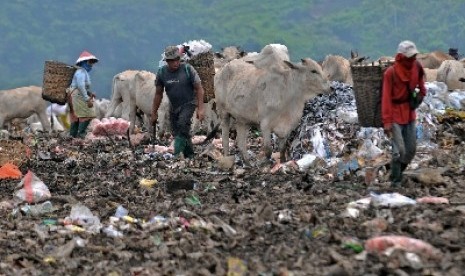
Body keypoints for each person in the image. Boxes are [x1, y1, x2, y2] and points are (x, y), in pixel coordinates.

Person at [382, 40, 427, 187]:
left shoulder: (416, 67)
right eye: (409, 57)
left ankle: (397, 171)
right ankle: (395, 181)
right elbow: (386, 97)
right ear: (401, 57)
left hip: (409, 112)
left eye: (414, 56)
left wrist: (421, 92)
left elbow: (421, 81)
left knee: (411, 149)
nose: (412, 60)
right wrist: (387, 121)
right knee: (399, 150)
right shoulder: (391, 73)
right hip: (395, 114)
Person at [151, 46, 205, 158]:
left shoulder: (188, 69)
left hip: (189, 102)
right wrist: (154, 112)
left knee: (182, 124)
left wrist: (200, 109)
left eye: (177, 60)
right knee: (178, 131)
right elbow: (158, 94)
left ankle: (177, 154)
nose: (176, 63)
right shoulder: (162, 73)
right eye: (172, 61)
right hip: (174, 105)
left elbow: (199, 89)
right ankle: (189, 155)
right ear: (167, 61)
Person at [68, 51, 99, 138]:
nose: (91, 64)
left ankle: (72, 136)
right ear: (84, 62)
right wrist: (86, 98)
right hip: (77, 95)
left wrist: (89, 93)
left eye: (92, 62)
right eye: (90, 62)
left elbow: (81, 86)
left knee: (76, 115)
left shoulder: (82, 72)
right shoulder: (81, 72)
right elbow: (80, 85)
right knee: (88, 113)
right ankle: (81, 134)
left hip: (73, 94)